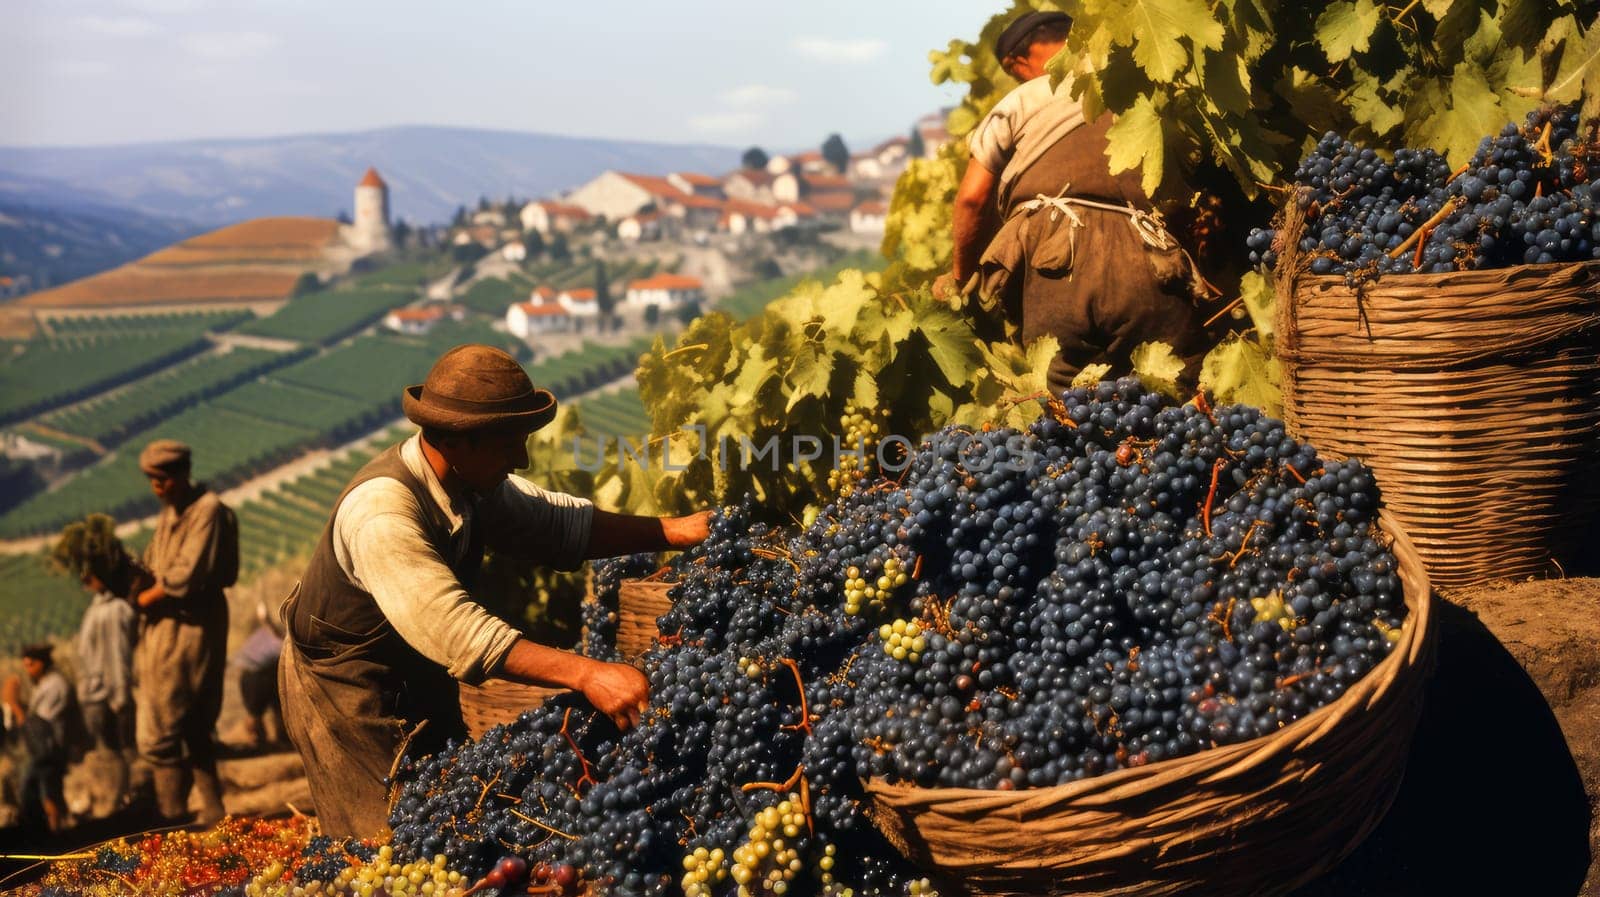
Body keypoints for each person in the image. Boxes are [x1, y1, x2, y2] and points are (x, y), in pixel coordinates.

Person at [279, 344, 713, 839]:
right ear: (462, 440)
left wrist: (672, 531)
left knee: (454, 821)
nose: (523, 459)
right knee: (391, 845)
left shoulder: (468, 483)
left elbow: (557, 525)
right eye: (511, 443)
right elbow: (456, 630)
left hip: (415, 675)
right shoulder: (383, 514)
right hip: (348, 697)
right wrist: (589, 673)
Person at [942, 11, 1213, 393]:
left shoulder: (1022, 99)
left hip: (1056, 264)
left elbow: (971, 200)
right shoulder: (1136, 91)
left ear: (1017, 62)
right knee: (1179, 392)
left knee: (1064, 410)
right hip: (1147, 260)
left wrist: (960, 279)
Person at [135, 439, 239, 825]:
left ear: (181, 474)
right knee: (191, 725)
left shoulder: (206, 510)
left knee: (163, 726)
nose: (157, 488)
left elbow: (185, 574)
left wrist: (147, 596)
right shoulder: (170, 511)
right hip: (169, 625)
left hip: (191, 626)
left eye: (163, 479)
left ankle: (171, 817)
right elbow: (156, 564)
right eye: (152, 480)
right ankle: (212, 812)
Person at [74, 563, 140, 813]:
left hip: (107, 696)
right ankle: (122, 802)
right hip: (97, 694)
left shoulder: (114, 611)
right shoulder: (99, 608)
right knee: (112, 754)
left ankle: (126, 804)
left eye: (89, 576)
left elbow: (116, 656)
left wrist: (120, 695)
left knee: (120, 754)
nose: (85, 582)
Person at [2, 644, 74, 833]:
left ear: (42, 663)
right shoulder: (43, 684)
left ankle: (56, 833)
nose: (28, 670)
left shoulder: (54, 685)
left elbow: (39, 727)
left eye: (31, 664)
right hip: (41, 752)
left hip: (49, 751)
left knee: (47, 793)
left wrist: (14, 704)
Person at [225, 602, 284, 751]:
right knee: (257, 713)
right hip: (256, 675)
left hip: (254, 673)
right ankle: (260, 739)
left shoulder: (266, 634)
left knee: (263, 711)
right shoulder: (278, 639)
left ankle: (269, 739)